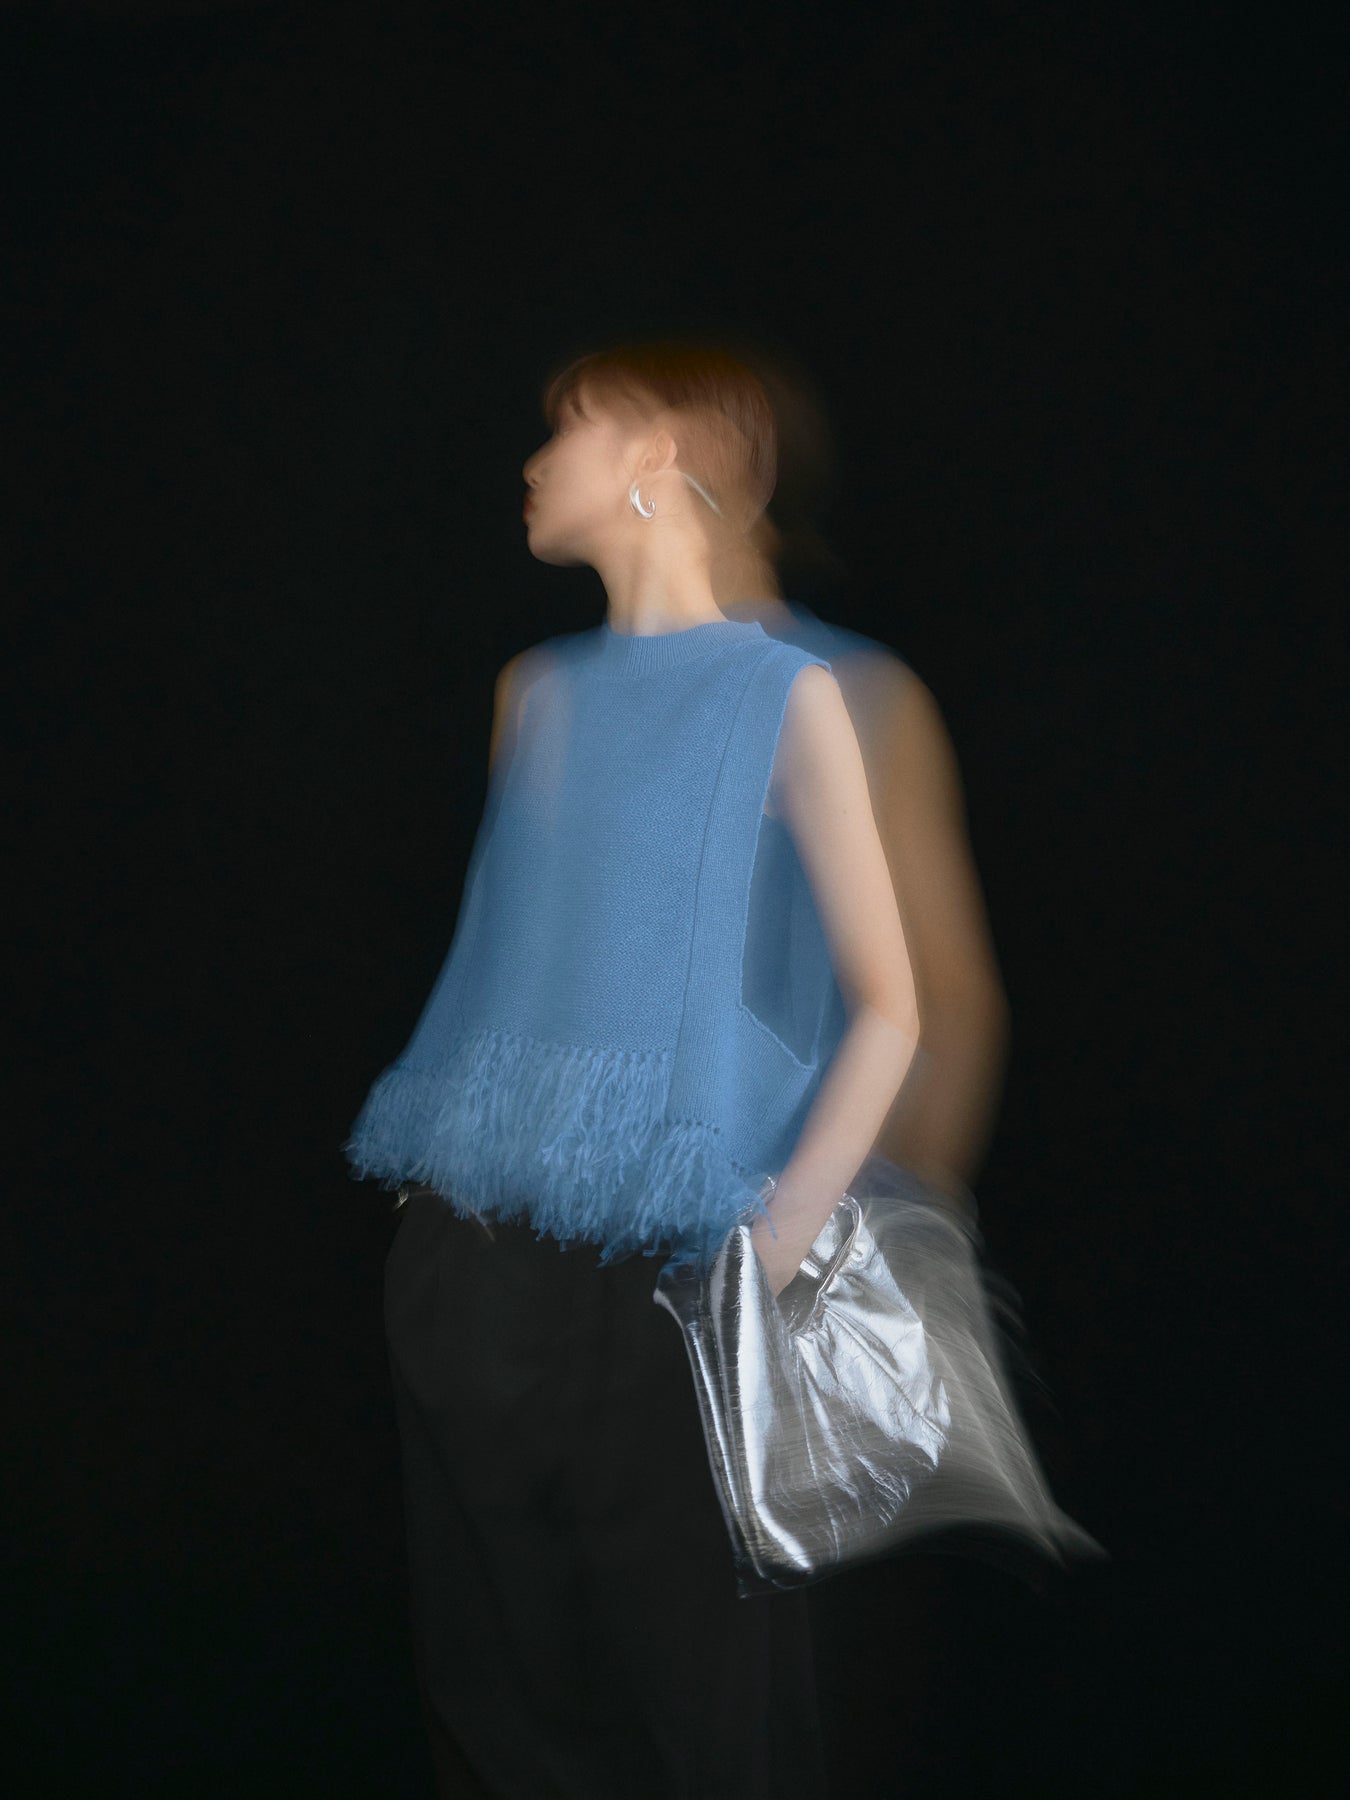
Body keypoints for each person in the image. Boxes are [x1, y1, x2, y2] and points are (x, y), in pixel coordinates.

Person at [343, 340, 920, 1798]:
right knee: (496, 1691)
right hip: (471, 1250)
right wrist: (433, 1238)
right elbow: (524, 957)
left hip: (673, 1269)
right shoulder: (535, 693)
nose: (537, 463)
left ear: (660, 451)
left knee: (700, 1705)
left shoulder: (783, 694)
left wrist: (769, 1255)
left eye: (572, 429)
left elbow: (890, 1005)